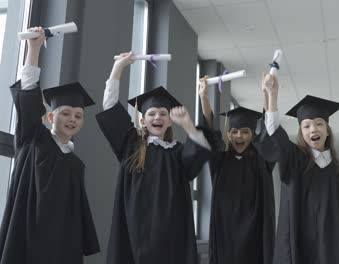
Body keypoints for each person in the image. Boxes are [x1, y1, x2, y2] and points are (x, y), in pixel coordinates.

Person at [97, 52, 213, 264]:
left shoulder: (177, 152)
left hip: (170, 238)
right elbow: (110, 106)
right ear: (142, 121)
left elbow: (200, 150)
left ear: (170, 121)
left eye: (163, 113)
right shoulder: (131, 146)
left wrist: (188, 125)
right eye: (151, 113)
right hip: (134, 236)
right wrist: (118, 68)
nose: (157, 117)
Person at [0, 27, 100, 264]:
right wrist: (34, 49)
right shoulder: (34, 140)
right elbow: (29, 95)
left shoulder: (76, 164)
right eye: (65, 113)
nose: (72, 119)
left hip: (61, 245)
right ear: (51, 118)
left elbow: (78, 210)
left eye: (78, 115)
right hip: (27, 237)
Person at [255, 73, 339, 264]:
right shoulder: (294, 162)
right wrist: (271, 96)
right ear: (301, 132)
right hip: (298, 249)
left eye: (319, 124)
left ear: (327, 129)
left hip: (332, 251)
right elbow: (275, 133)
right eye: (306, 126)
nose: (313, 130)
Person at [198, 76, 275, 264]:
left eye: (245, 131)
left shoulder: (261, 160)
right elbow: (210, 131)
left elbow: (267, 131)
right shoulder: (220, 161)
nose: (238, 136)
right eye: (234, 132)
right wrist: (204, 97)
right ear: (228, 134)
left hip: (255, 239)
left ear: (252, 135)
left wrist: (268, 94)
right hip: (225, 239)